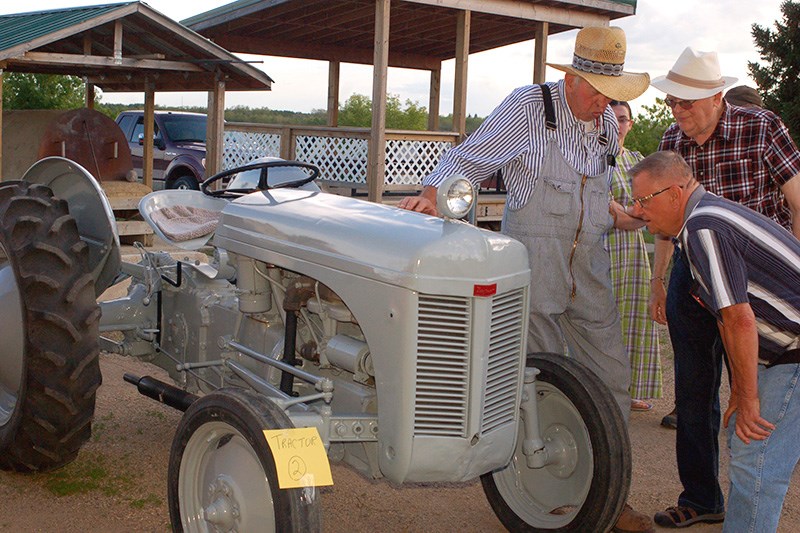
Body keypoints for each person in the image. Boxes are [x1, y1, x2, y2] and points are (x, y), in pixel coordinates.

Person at [399, 25, 654, 533]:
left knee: (612, 379)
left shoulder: (603, 126)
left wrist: (623, 214)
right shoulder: (529, 107)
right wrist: (433, 195)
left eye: (614, 97)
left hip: (592, 272)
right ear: (575, 80)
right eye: (601, 93)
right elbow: (466, 159)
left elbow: (592, 197)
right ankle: (549, 494)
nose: (607, 105)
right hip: (536, 269)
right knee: (542, 379)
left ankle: (608, 491)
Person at [648, 46, 800, 528]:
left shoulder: (761, 126)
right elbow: (664, 212)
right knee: (693, 392)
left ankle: (759, 468)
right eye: (672, 102)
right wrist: (659, 280)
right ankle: (702, 496)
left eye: (687, 102)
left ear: (716, 96)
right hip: (694, 281)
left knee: (753, 384)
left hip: (755, 288)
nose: (677, 112)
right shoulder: (673, 138)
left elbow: (798, 199)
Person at [607, 100, 662, 412]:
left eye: (623, 119)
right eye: (612, 119)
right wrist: (642, 214)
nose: (618, 125)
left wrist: (624, 210)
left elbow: (646, 209)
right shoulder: (595, 162)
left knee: (634, 319)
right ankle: (604, 390)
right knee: (605, 321)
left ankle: (629, 389)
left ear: (631, 124)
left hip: (634, 255)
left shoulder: (638, 162)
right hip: (604, 251)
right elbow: (610, 214)